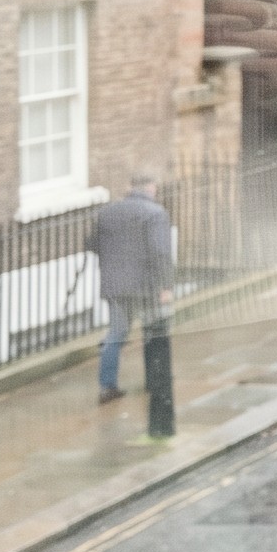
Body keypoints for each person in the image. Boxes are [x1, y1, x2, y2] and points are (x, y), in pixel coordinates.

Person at [88, 173, 174, 405]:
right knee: (153, 331)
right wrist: (166, 285)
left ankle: (107, 387)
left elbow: (93, 245)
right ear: (151, 187)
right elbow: (160, 253)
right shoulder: (156, 213)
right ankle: (155, 381)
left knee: (116, 333)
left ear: (130, 187)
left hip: (115, 285)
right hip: (147, 286)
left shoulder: (107, 212)